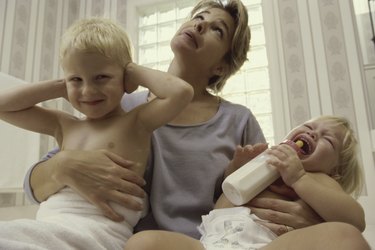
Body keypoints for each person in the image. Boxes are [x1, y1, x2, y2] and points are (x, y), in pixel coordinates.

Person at [23, 0, 321, 240]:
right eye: (198, 16)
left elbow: (263, 195)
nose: (200, 23)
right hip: (131, 242)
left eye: (217, 30)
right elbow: (35, 189)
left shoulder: (239, 120)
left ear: (220, 67)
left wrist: (302, 213)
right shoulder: (119, 105)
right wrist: (61, 166)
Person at [0, 17, 193, 249]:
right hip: (51, 225)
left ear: (124, 78)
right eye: (77, 80)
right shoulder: (64, 125)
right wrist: (60, 85)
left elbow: (181, 92)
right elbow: (3, 106)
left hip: (100, 233)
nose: (88, 90)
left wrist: (131, 71)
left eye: (101, 77)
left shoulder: (136, 122)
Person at [124, 115, 370, 250]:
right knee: (143, 243)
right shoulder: (262, 165)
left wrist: (299, 178)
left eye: (328, 140)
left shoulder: (320, 180)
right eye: (308, 126)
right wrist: (236, 173)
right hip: (211, 245)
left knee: (346, 237)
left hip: (265, 246)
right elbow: (219, 210)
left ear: (335, 172)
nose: (314, 132)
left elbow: (355, 220)